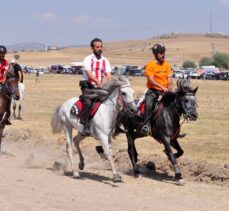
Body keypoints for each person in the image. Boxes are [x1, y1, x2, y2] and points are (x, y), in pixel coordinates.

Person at [80, 38, 112, 135]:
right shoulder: (88, 59)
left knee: (112, 102)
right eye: (97, 47)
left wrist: (111, 84)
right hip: (88, 85)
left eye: (101, 46)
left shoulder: (105, 60)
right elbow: (89, 74)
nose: (99, 48)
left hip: (99, 87)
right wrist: (98, 82)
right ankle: (85, 125)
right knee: (88, 102)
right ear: (92, 48)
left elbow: (108, 75)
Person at [141, 43, 173, 135]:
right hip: (153, 91)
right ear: (155, 54)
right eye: (160, 53)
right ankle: (146, 125)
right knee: (148, 104)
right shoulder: (150, 65)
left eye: (163, 52)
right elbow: (151, 80)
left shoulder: (166, 65)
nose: (163, 54)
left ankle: (175, 126)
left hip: (166, 91)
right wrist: (162, 87)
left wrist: (169, 86)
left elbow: (169, 78)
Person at [0, 45, 11, 125]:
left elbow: (6, 72)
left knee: (9, 94)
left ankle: (7, 114)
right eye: (1, 53)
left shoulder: (6, 62)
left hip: (3, 81)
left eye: (3, 53)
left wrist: (4, 79)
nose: (2, 55)